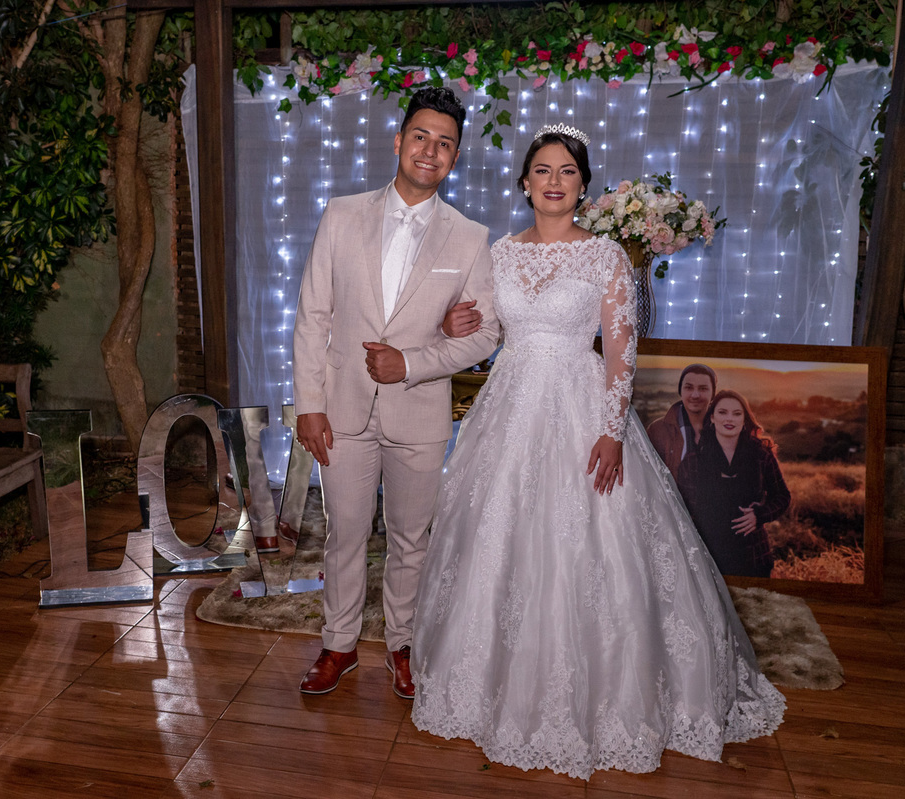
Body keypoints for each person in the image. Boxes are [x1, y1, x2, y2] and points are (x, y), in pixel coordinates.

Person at [411, 123, 784, 780]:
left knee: (593, 543)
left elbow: (620, 350)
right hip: (510, 405)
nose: (554, 181)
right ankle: (485, 686)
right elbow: (489, 331)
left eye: (567, 172)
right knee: (498, 538)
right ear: (524, 182)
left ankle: (616, 694)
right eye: (543, 170)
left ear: (582, 186)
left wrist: (611, 431)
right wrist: (451, 323)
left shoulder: (606, 255)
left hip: (583, 407)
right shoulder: (500, 253)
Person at [291, 87, 501, 699]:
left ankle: (403, 645)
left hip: (420, 413)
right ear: (398, 141)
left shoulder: (469, 237)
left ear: (455, 157)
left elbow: (485, 334)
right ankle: (339, 645)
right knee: (344, 535)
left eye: (445, 143)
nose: (430, 151)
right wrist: (309, 404)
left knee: (412, 539)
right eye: (421, 137)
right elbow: (313, 316)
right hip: (341, 409)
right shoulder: (341, 214)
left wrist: (409, 363)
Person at [676, 390, 791, 578]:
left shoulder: (761, 455)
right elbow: (680, 509)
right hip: (707, 556)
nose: (729, 418)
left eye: (737, 414)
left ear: (744, 419)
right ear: (712, 417)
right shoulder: (693, 461)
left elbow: (782, 496)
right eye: (722, 412)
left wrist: (760, 515)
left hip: (754, 556)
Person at [646, 363, 716, 480]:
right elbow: (648, 475)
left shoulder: (725, 429)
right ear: (680, 391)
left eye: (703, 388)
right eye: (689, 387)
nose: (695, 395)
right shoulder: (658, 430)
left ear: (713, 393)